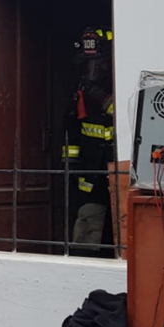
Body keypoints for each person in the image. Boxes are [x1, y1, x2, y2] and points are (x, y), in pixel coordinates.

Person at [63, 27, 115, 256]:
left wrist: (98, 94)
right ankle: (84, 260)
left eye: (100, 63)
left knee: (121, 222)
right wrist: (71, 164)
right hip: (90, 170)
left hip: (117, 166)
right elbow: (72, 129)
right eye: (89, 65)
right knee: (88, 222)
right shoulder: (79, 91)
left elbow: (119, 112)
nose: (95, 70)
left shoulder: (119, 85)